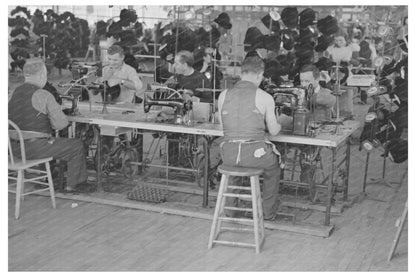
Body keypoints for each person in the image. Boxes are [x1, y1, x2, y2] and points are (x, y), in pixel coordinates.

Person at [8, 58, 92, 193]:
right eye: (46, 75)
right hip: (34, 149)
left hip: (12, 148)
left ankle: (48, 178)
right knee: (76, 145)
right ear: (41, 75)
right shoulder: (43, 94)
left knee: (46, 139)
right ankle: (74, 185)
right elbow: (61, 124)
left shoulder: (12, 93)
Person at [217, 55, 282, 220]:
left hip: (229, 154)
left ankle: (231, 210)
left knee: (236, 170)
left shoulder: (223, 95)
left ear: (241, 72)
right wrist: (281, 123)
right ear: (260, 75)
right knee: (273, 168)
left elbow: (222, 125)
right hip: (255, 155)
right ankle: (267, 213)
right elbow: (274, 132)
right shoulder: (265, 97)